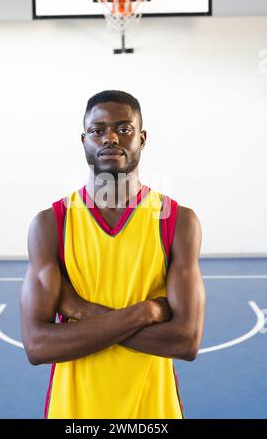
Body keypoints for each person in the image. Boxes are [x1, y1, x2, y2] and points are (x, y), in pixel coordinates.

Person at [20, 90, 206, 419]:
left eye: (124, 129)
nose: (110, 138)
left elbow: (185, 341)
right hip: (74, 411)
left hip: (152, 411)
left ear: (142, 138)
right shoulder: (51, 224)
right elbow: (38, 346)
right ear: (83, 140)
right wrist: (147, 311)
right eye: (98, 130)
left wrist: (83, 310)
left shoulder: (177, 222)